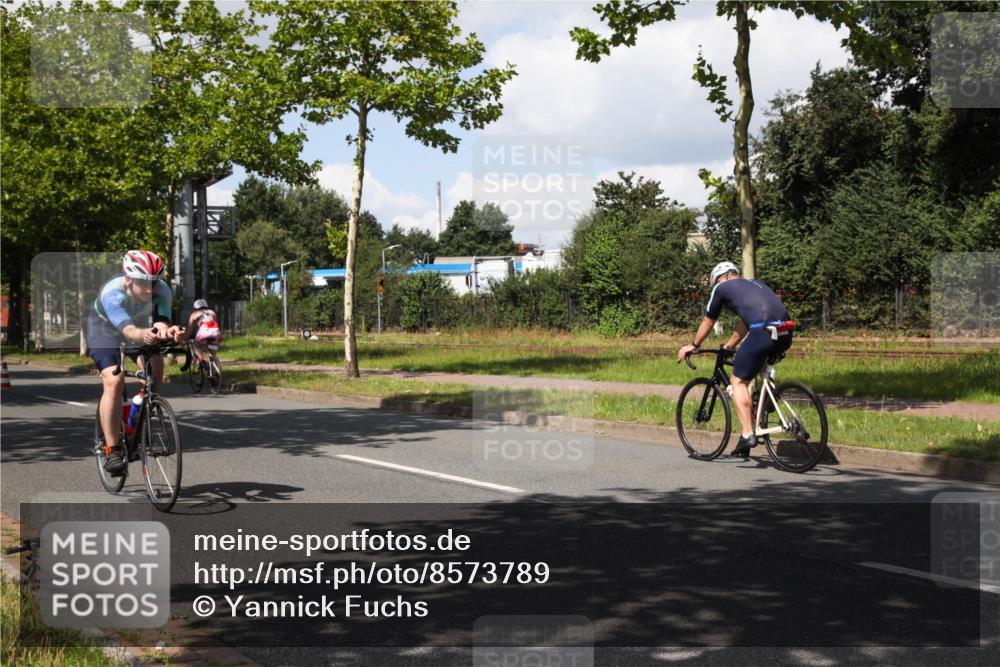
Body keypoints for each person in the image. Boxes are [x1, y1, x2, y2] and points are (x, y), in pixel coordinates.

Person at [677, 261, 793, 457]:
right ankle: (765, 406)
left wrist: (694, 345)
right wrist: (730, 345)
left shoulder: (721, 287)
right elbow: (746, 323)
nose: (717, 285)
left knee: (737, 381)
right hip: (786, 330)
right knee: (759, 369)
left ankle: (748, 433)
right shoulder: (755, 283)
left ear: (720, 278)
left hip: (763, 331)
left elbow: (708, 320)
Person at [87, 250, 184, 474]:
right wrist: (146, 334)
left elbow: (160, 324)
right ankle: (113, 450)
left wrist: (171, 332)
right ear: (129, 279)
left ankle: (142, 414)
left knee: (156, 365)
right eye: (144, 283)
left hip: (140, 327)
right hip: (104, 329)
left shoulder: (162, 290)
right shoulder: (113, 293)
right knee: (114, 379)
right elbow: (129, 332)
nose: (150, 290)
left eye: (154, 282)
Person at [184, 298, 221, 366]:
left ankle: (202, 360)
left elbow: (190, 329)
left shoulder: (194, 314)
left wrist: (185, 339)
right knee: (213, 354)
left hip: (203, 334)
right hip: (215, 334)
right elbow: (216, 324)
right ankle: (216, 373)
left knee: (196, 345)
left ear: (195, 307)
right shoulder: (212, 312)